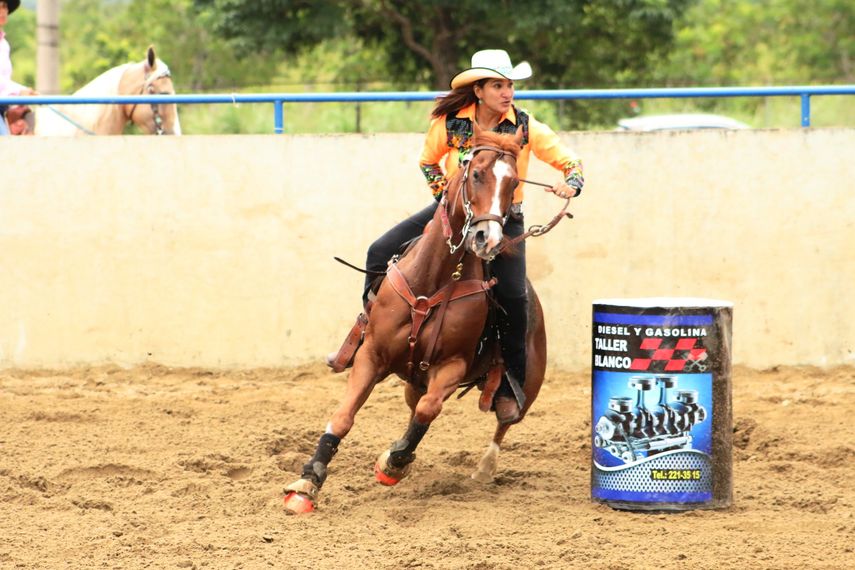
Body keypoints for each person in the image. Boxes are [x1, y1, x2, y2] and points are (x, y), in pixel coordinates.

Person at [328, 49, 584, 424]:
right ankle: (366, 333)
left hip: (502, 216)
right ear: (478, 90)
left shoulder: (525, 126)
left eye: (510, 85)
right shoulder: (451, 123)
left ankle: (509, 384)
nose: (507, 92)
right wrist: (446, 200)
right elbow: (428, 161)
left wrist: (571, 184)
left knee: (514, 296)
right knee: (378, 251)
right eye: (498, 85)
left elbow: (571, 162)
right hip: (451, 211)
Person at [0, 0, 36, 136]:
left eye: (4, 6)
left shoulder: (4, 44)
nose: (3, 11)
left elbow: (4, 80)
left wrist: (24, 90)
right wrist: (19, 91)